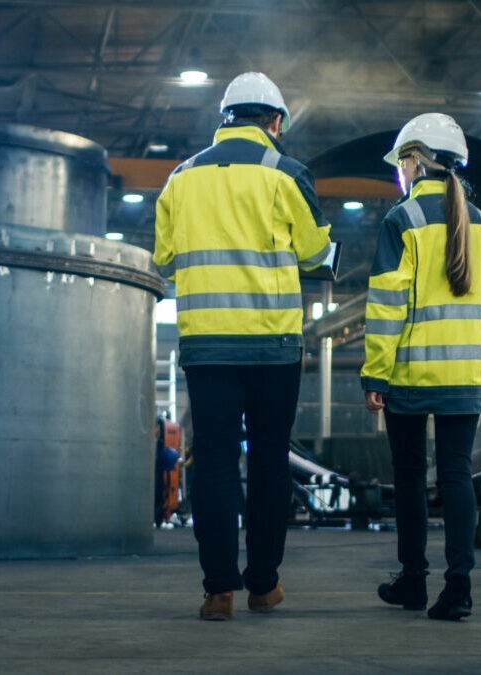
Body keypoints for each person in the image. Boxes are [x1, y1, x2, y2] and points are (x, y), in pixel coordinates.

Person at [152, 72, 333, 621]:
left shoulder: (180, 179)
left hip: (207, 346)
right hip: (274, 347)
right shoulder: (286, 174)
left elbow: (163, 259)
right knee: (271, 463)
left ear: (224, 117)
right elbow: (315, 252)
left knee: (213, 464)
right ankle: (262, 584)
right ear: (275, 122)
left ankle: (217, 591)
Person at [361, 113, 481, 621]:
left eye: (400, 163)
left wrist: (375, 373)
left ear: (413, 161)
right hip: (467, 376)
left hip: (409, 375)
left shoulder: (402, 220)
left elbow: (387, 306)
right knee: (456, 476)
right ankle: (459, 589)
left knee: (409, 479)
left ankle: (413, 582)